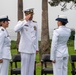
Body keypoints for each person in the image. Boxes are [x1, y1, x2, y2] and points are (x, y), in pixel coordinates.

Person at [14, 8, 38, 75]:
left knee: (31, 69)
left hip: (32, 49)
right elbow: (15, 29)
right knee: (24, 69)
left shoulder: (34, 23)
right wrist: (25, 21)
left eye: (32, 14)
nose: (31, 16)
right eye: (30, 14)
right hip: (25, 49)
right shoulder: (21, 22)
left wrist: (36, 48)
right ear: (26, 14)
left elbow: (36, 37)